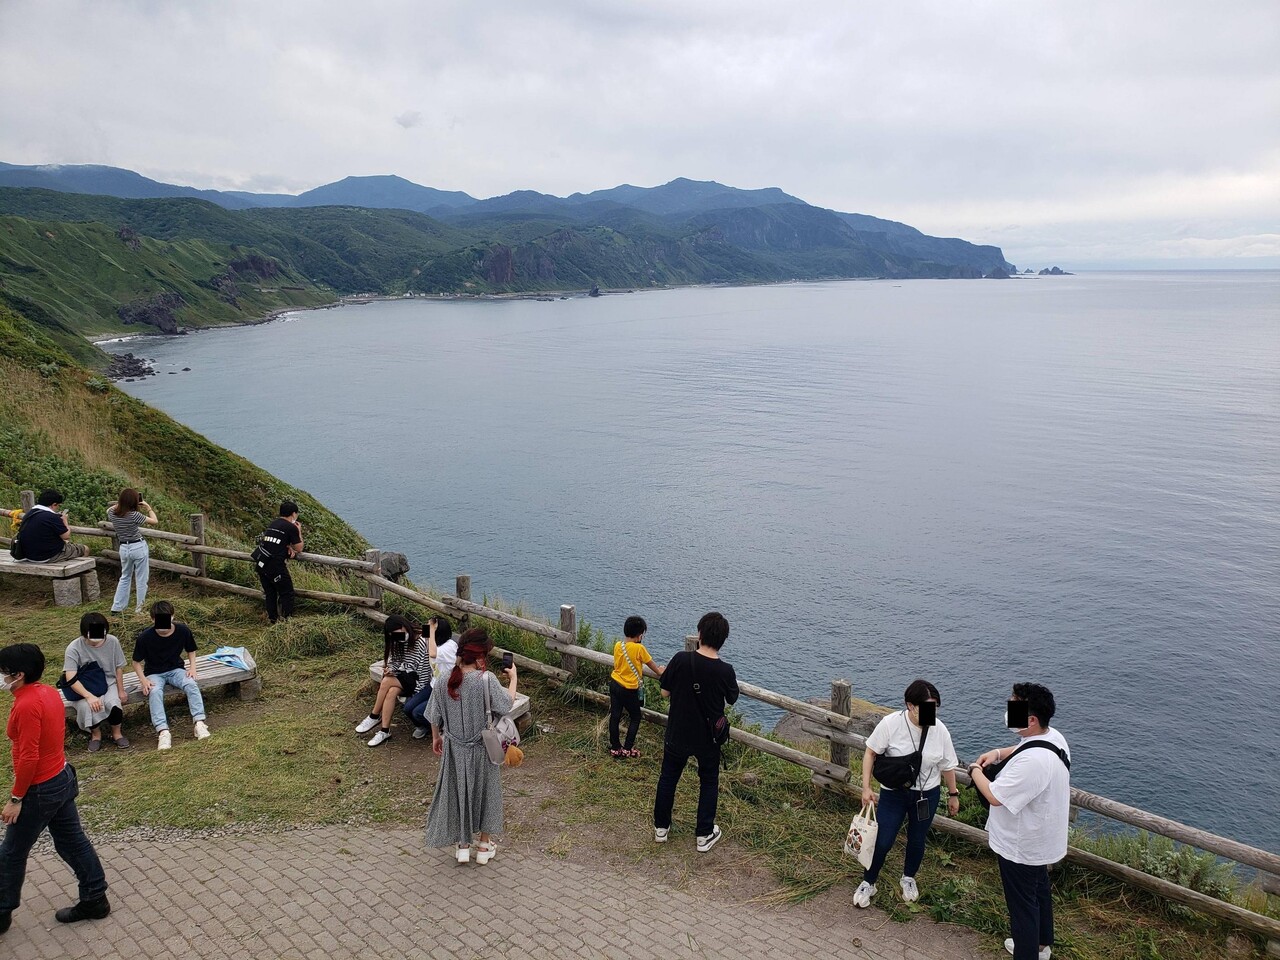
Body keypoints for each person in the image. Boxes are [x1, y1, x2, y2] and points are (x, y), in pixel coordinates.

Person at [0, 642, 110, 935]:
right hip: (61, 778)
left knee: (11, 852)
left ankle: (1, 912)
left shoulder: (26, 705)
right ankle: (95, 898)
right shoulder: (48, 692)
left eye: (3, 671)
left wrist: (16, 798)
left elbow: (29, 757)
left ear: (19, 675)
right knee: (72, 842)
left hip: (40, 789)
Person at [968, 683, 1071, 960]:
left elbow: (994, 796)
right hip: (1041, 838)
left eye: (1013, 707)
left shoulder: (1033, 763)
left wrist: (975, 770)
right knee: (1039, 891)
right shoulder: (1054, 737)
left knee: (1022, 907)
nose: (1008, 711)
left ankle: (1027, 952)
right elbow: (1027, 745)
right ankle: (1042, 946)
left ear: (1032, 719)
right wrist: (999, 753)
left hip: (1020, 844)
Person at [853, 679, 960, 908]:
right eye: (927, 707)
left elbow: (947, 765)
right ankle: (869, 881)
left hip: (927, 795)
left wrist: (953, 794)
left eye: (935, 707)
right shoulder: (891, 724)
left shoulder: (940, 730)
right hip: (894, 794)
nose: (932, 713)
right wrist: (866, 787)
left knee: (917, 840)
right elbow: (870, 753)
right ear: (910, 705)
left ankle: (908, 877)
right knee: (883, 840)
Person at [424, 628, 517, 865]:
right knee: (487, 793)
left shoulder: (444, 680)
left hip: (454, 749)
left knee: (458, 792)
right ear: (480, 656)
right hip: (483, 749)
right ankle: (484, 846)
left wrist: (436, 738)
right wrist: (513, 678)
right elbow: (506, 705)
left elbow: (434, 715)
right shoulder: (487, 679)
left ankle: (463, 845)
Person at [652, 611, 738, 853]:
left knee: (668, 778)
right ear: (723, 640)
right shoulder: (726, 670)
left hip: (678, 731)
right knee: (708, 781)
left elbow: (664, 692)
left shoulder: (681, 659)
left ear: (700, 634)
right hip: (708, 738)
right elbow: (732, 698)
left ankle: (661, 828)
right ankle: (704, 834)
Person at [131, 600, 210, 750]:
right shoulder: (145, 637)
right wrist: (143, 680)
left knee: (190, 683)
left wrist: (193, 668)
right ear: (152, 619)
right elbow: (136, 662)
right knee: (154, 691)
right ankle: (163, 731)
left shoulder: (183, 630)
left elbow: (191, 650)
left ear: (173, 616)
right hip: (154, 673)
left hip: (176, 669)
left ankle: (199, 722)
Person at [355, 614, 430, 747]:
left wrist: (417, 693)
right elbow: (395, 661)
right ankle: (384, 730)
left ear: (404, 626)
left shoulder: (423, 638)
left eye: (398, 633)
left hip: (418, 680)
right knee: (391, 691)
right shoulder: (398, 639)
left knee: (386, 682)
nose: (397, 638)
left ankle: (374, 715)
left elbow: (425, 671)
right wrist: (390, 669)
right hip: (405, 677)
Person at [63, 612, 131, 752]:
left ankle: (117, 733)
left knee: (114, 702)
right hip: (83, 686)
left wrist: (121, 690)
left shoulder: (112, 641)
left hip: (108, 682)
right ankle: (96, 735)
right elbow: (70, 678)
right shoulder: (74, 648)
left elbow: (118, 667)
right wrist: (89, 696)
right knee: (87, 706)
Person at [608, 615, 664, 759]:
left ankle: (615, 747)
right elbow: (651, 664)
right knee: (635, 717)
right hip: (628, 688)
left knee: (615, 716)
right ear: (639, 635)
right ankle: (627, 748)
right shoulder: (639, 648)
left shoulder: (618, 645)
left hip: (615, 683)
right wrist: (659, 671)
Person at [106, 487, 158, 614]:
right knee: (141, 579)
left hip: (124, 548)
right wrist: (148, 508)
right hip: (138, 547)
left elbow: (109, 509)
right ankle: (139, 609)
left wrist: (121, 503)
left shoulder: (112, 513)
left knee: (125, 577)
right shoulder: (134, 515)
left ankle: (117, 607)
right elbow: (154, 521)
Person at [403, 617, 455, 740]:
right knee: (407, 708)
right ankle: (424, 726)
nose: (427, 630)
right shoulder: (431, 642)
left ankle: (443, 727)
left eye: (430, 628)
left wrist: (430, 630)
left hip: (446, 690)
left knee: (418, 712)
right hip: (433, 685)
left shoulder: (449, 646)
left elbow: (433, 653)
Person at [253, 500, 303, 623]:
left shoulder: (273, 523)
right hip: (275, 566)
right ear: (293, 514)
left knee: (270, 593)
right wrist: (299, 530)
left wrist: (287, 546)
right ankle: (286, 621)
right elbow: (299, 548)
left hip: (262, 563)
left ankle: (273, 620)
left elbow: (275, 542)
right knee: (287, 593)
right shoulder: (291, 527)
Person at [13, 489, 88, 563]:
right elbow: (66, 536)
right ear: (54, 504)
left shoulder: (29, 514)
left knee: (65, 543)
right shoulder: (52, 517)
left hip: (28, 555)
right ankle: (82, 569)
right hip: (46, 556)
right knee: (85, 549)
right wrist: (65, 520)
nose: (57, 508)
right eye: (58, 505)